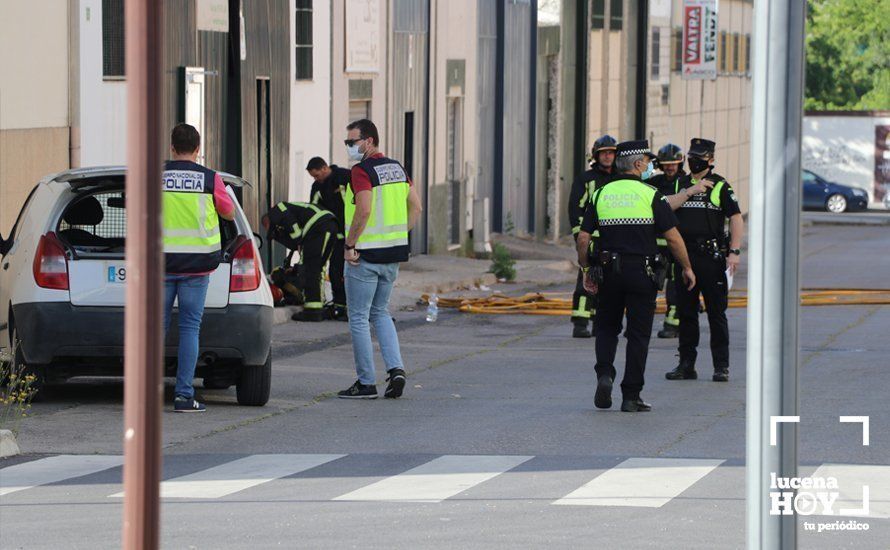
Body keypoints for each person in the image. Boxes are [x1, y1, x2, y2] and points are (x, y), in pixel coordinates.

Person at [576, 140, 695, 412]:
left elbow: (583, 238)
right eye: (648, 162)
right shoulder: (650, 194)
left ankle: (604, 374)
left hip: (608, 272)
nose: (650, 166)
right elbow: (673, 237)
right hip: (642, 273)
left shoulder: (601, 194)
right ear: (638, 165)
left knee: (607, 328)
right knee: (638, 335)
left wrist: (585, 269)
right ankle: (631, 396)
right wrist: (687, 267)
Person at [339, 118, 423, 399]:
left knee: (359, 317)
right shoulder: (397, 168)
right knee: (381, 312)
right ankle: (396, 370)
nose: (349, 147)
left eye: (353, 142)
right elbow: (417, 207)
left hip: (364, 256)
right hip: (392, 255)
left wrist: (350, 244)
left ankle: (365, 383)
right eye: (347, 142)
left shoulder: (361, 171)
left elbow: (363, 210)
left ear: (370, 141)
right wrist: (398, 234)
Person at [162, 123, 235, 413]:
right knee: (189, 329)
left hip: (161, 263)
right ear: (198, 149)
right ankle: (183, 396)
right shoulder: (210, 178)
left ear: (171, 147)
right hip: (196, 265)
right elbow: (228, 212)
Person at [665, 138, 745, 383]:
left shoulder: (720, 186)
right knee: (686, 313)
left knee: (716, 314)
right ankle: (686, 365)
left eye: (699, 156)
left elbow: (735, 217)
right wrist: (689, 192)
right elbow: (664, 207)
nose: (693, 160)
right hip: (684, 256)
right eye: (691, 155)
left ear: (710, 160)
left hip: (710, 257)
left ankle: (721, 366)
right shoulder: (680, 182)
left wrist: (734, 251)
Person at [567, 135, 617, 338]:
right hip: (591, 239)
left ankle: (599, 322)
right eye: (604, 153)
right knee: (586, 278)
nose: (607, 156)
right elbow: (575, 209)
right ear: (596, 155)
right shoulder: (586, 179)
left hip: (613, 238)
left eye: (611, 152)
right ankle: (580, 322)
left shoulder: (620, 178)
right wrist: (580, 236)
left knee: (610, 281)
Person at [262, 202, 339, 322]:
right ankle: (318, 305)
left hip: (317, 226)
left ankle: (312, 311)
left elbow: (292, 227)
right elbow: (292, 243)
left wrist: (298, 240)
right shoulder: (286, 218)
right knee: (318, 267)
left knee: (309, 268)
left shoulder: (276, 211)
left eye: (268, 227)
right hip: (329, 224)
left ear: (268, 221)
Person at [649, 143, 686, 339]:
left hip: (675, 241)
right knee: (649, 283)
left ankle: (672, 323)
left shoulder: (686, 182)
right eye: (667, 164)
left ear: (680, 164)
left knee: (675, 285)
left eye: (674, 164)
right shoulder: (653, 183)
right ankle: (641, 323)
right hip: (655, 244)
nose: (670, 167)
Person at [306, 157, 351, 320]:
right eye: (313, 177)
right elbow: (314, 210)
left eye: (317, 175)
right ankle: (340, 306)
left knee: (356, 273)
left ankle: (358, 308)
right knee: (335, 271)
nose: (316, 179)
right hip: (337, 236)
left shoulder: (344, 177)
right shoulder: (317, 187)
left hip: (356, 233)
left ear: (325, 168)